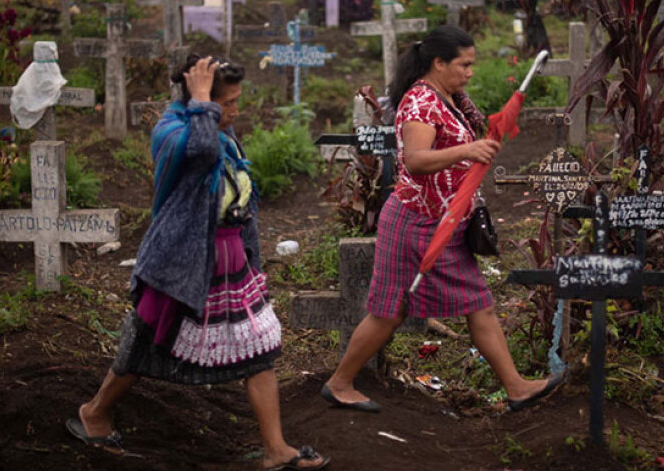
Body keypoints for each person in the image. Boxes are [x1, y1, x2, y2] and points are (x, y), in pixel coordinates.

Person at [68, 55, 329, 470]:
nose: (234, 111)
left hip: (229, 266)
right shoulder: (173, 132)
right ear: (199, 99)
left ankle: (275, 449)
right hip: (179, 267)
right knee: (146, 341)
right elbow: (202, 153)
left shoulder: (224, 133)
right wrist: (204, 100)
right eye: (228, 103)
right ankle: (95, 411)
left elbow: (240, 201)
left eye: (234, 102)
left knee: (258, 350)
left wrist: (253, 262)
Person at [321, 25, 565, 413]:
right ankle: (340, 382)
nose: (470, 72)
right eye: (464, 64)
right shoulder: (421, 103)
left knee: (431, 307)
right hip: (417, 224)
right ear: (438, 63)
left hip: (440, 220)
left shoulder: (447, 97)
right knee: (396, 310)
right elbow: (416, 160)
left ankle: (515, 386)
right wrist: (468, 149)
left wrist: (481, 140)